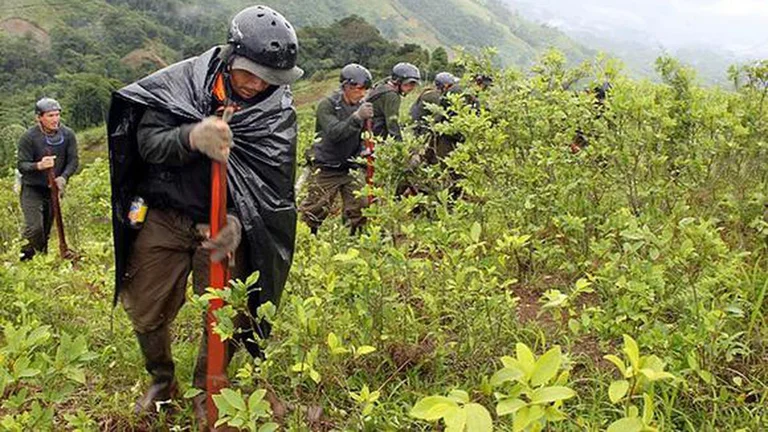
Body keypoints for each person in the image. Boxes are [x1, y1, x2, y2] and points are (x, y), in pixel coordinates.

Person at [106, 5, 302, 422]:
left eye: (268, 78)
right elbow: (147, 144)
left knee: (227, 312)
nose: (256, 85)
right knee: (145, 306)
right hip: (165, 215)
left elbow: (270, 188)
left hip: (224, 225)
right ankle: (161, 379)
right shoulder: (181, 85)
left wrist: (238, 222)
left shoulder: (277, 113)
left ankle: (206, 386)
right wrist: (191, 136)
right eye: (248, 72)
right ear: (231, 56)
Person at [300, 63, 373, 235]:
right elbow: (334, 133)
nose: (362, 94)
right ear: (346, 86)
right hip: (327, 167)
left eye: (365, 90)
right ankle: (307, 241)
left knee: (361, 205)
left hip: (351, 167)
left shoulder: (361, 106)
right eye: (359, 89)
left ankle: (355, 240)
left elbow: (365, 135)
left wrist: (365, 150)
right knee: (315, 209)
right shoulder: (328, 105)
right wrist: (356, 117)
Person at [17, 98, 78, 261]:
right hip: (32, 188)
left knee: (45, 230)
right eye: (50, 115)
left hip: (53, 189)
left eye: (57, 115)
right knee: (35, 228)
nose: (55, 119)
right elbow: (22, 165)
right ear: (39, 117)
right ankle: (26, 256)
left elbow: (73, 161)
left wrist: (63, 177)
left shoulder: (68, 135)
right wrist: (39, 165)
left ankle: (39, 261)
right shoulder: (29, 137)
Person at [368, 62, 421, 141]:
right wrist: (399, 144)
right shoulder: (392, 95)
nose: (412, 87)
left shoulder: (382, 85)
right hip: (372, 132)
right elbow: (392, 122)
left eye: (414, 84)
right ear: (399, 81)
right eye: (410, 83)